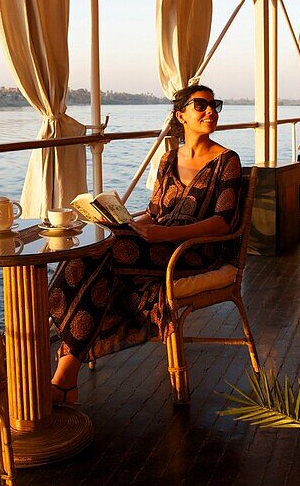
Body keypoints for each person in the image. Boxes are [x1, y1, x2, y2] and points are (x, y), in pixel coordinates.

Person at [48, 84, 243, 404]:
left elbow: (223, 221)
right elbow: (154, 214)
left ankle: (41, 341)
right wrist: (126, 226)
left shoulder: (226, 160)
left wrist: (158, 235)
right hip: (156, 244)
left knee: (103, 252)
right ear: (181, 115)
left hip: (195, 250)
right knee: (95, 248)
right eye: (201, 105)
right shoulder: (168, 159)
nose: (210, 111)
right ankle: (64, 376)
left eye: (214, 105)